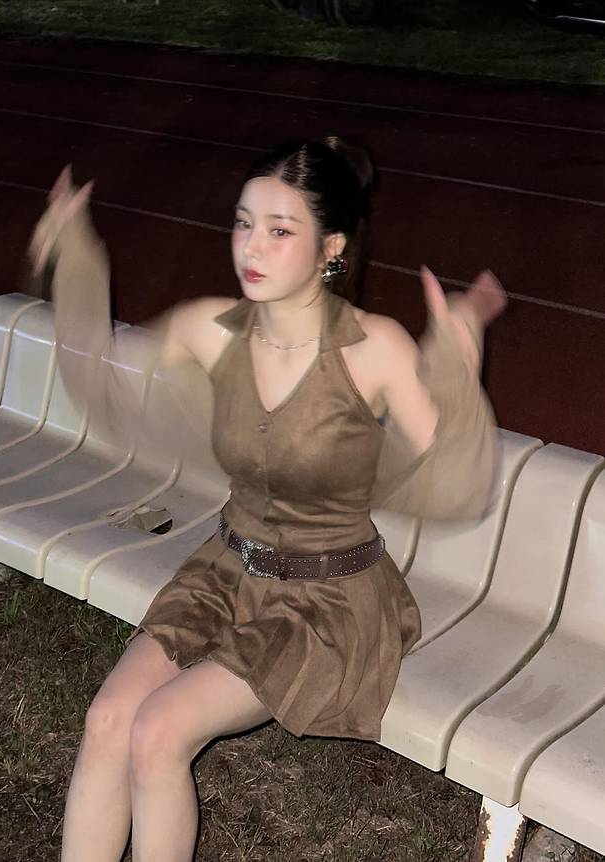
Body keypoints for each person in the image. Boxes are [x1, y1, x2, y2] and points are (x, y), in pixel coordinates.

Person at [28, 137, 506, 862]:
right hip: (223, 575)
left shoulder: (374, 349)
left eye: (280, 230)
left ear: (330, 248)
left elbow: (453, 483)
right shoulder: (208, 327)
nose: (251, 246)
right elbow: (104, 384)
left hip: (325, 600)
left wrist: (457, 363)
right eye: (243, 222)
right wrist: (78, 257)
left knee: (158, 732)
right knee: (109, 720)